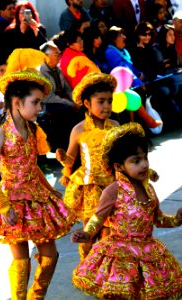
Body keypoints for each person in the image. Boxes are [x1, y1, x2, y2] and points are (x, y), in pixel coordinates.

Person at [0, 48, 75, 299]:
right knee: (22, 260)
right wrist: (4, 206)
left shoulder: (33, 130)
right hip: (12, 201)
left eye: (40, 102)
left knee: (50, 255)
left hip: (37, 199)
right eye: (35, 102)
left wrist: (53, 188)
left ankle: (35, 296)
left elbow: (33, 166)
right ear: (17, 102)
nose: (40, 107)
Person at [71, 122, 182, 299]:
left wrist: (178, 219)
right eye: (136, 161)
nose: (144, 165)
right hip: (120, 256)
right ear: (119, 166)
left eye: (145, 158)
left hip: (148, 254)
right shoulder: (113, 190)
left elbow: (158, 219)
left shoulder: (149, 189)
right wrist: (88, 234)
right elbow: (97, 218)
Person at [55, 72, 119, 261]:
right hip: (90, 187)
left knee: (108, 232)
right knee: (89, 233)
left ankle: (104, 271)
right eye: (101, 101)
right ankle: (87, 266)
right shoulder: (79, 129)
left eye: (109, 101)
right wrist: (63, 159)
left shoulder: (115, 125)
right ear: (87, 104)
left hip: (112, 185)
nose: (106, 106)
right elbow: (71, 159)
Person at [39, 41, 79, 151]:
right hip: (47, 103)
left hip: (60, 101)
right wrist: (69, 103)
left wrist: (74, 100)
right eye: (57, 54)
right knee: (66, 111)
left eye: (59, 53)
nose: (60, 56)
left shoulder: (57, 69)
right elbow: (47, 96)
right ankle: (64, 147)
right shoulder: (40, 72)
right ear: (45, 56)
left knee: (78, 108)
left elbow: (66, 88)